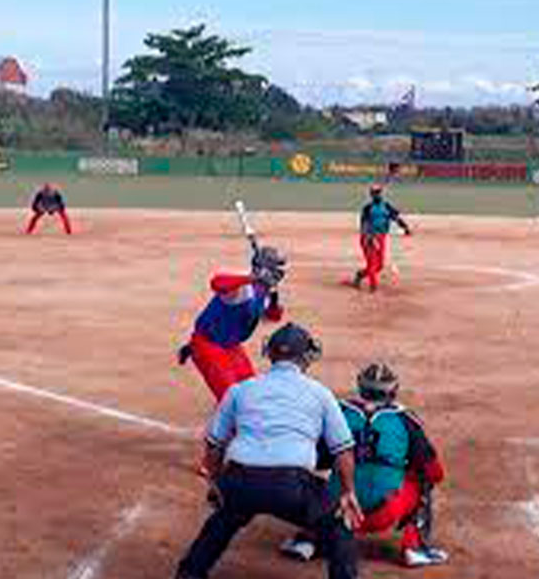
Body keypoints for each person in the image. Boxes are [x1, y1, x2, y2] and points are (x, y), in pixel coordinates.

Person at [175, 323, 364, 579]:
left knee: (223, 519)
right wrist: (349, 492)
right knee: (339, 524)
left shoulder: (240, 390)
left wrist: (217, 482)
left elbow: (214, 444)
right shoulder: (320, 394)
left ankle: (189, 574)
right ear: (307, 357)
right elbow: (343, 450)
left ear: (270, 353)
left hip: (241, 479)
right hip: (291, 485)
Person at [280, 362, 449, 568]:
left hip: (339, 511)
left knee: (314, 484)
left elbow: (316, 460)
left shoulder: (338, 413)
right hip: (385, 512)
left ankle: (307, 540)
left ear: (360, 387)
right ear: (393, 391)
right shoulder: (406, 420)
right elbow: (434, 472)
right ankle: (414, 548)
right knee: (423, 480)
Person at [177, 246, 286, 402]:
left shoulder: (265, 293)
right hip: (209, 346)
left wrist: (274, 297)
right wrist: (252, 278)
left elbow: (273, 317)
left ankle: (191, 349)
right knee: (232, 399)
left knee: (251, 393)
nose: (279, 273)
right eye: (276, 268)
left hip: (231, 346)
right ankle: (195, 349)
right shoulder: (241, 288)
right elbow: (216, 283)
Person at [347, 184, 412, 292]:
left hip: (381, 237)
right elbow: (364, 225)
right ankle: (373, 287)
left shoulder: (386, 206)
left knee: (379, 265)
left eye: (378, 192)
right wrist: (369, 237)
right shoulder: (367, 208)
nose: (377, 195)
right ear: (371, 195)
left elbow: (396, 217)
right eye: (375, 193)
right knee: (372, 263)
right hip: (368, 238)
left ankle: (360, 275)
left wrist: (405, 227)